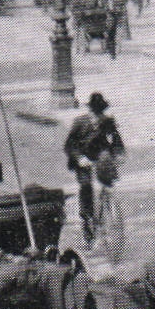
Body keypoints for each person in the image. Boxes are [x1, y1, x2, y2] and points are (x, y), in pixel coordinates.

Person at [64, 92, 125, 246]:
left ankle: (110, 210)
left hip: (101, 160)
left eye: (100, 111)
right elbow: (69, 145)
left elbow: (117, 142)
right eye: (95, 111)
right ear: (90, 110)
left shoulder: (108, 122)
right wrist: (80, 158)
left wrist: (119, 155)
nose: (98, 115)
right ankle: (87, 222)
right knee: (86, 186)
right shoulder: (80, 122)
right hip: (84, 160)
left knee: (107, 182)